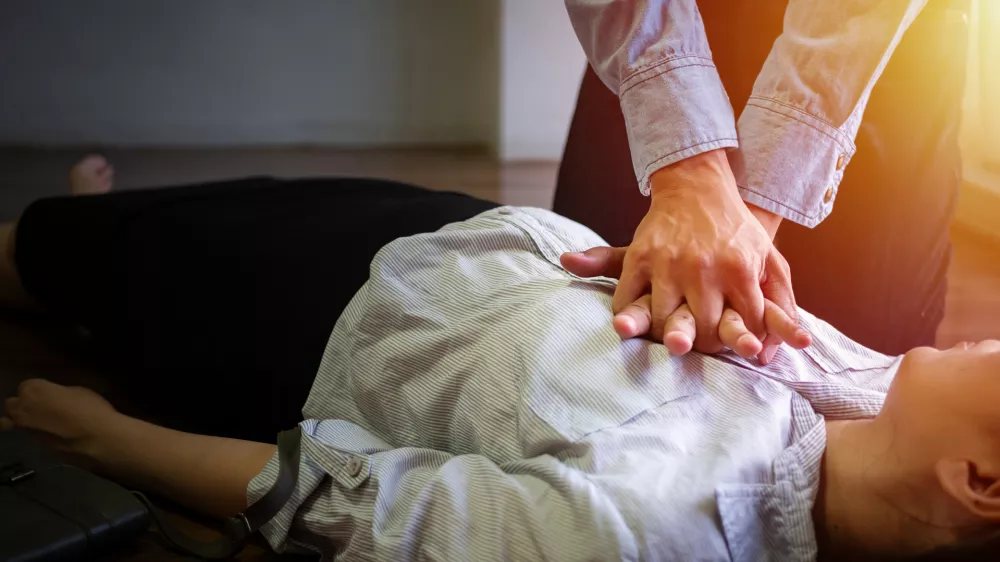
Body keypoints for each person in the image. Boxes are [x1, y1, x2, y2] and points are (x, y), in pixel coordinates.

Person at [2, 158, 999, 561]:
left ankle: (68, 240)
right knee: (135, 226)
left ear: (978, 480)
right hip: (469, 236)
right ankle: (97, 216)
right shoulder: (872, 385)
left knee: (49, 252)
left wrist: (106, 440)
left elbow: (344, 500)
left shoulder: (650, 530)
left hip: (323, 314)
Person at [557, 0, 969, 357]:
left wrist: (742, 224)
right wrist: (688, 176)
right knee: (593, 328)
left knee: (857, 355)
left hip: (872, 53)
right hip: (647, 38)